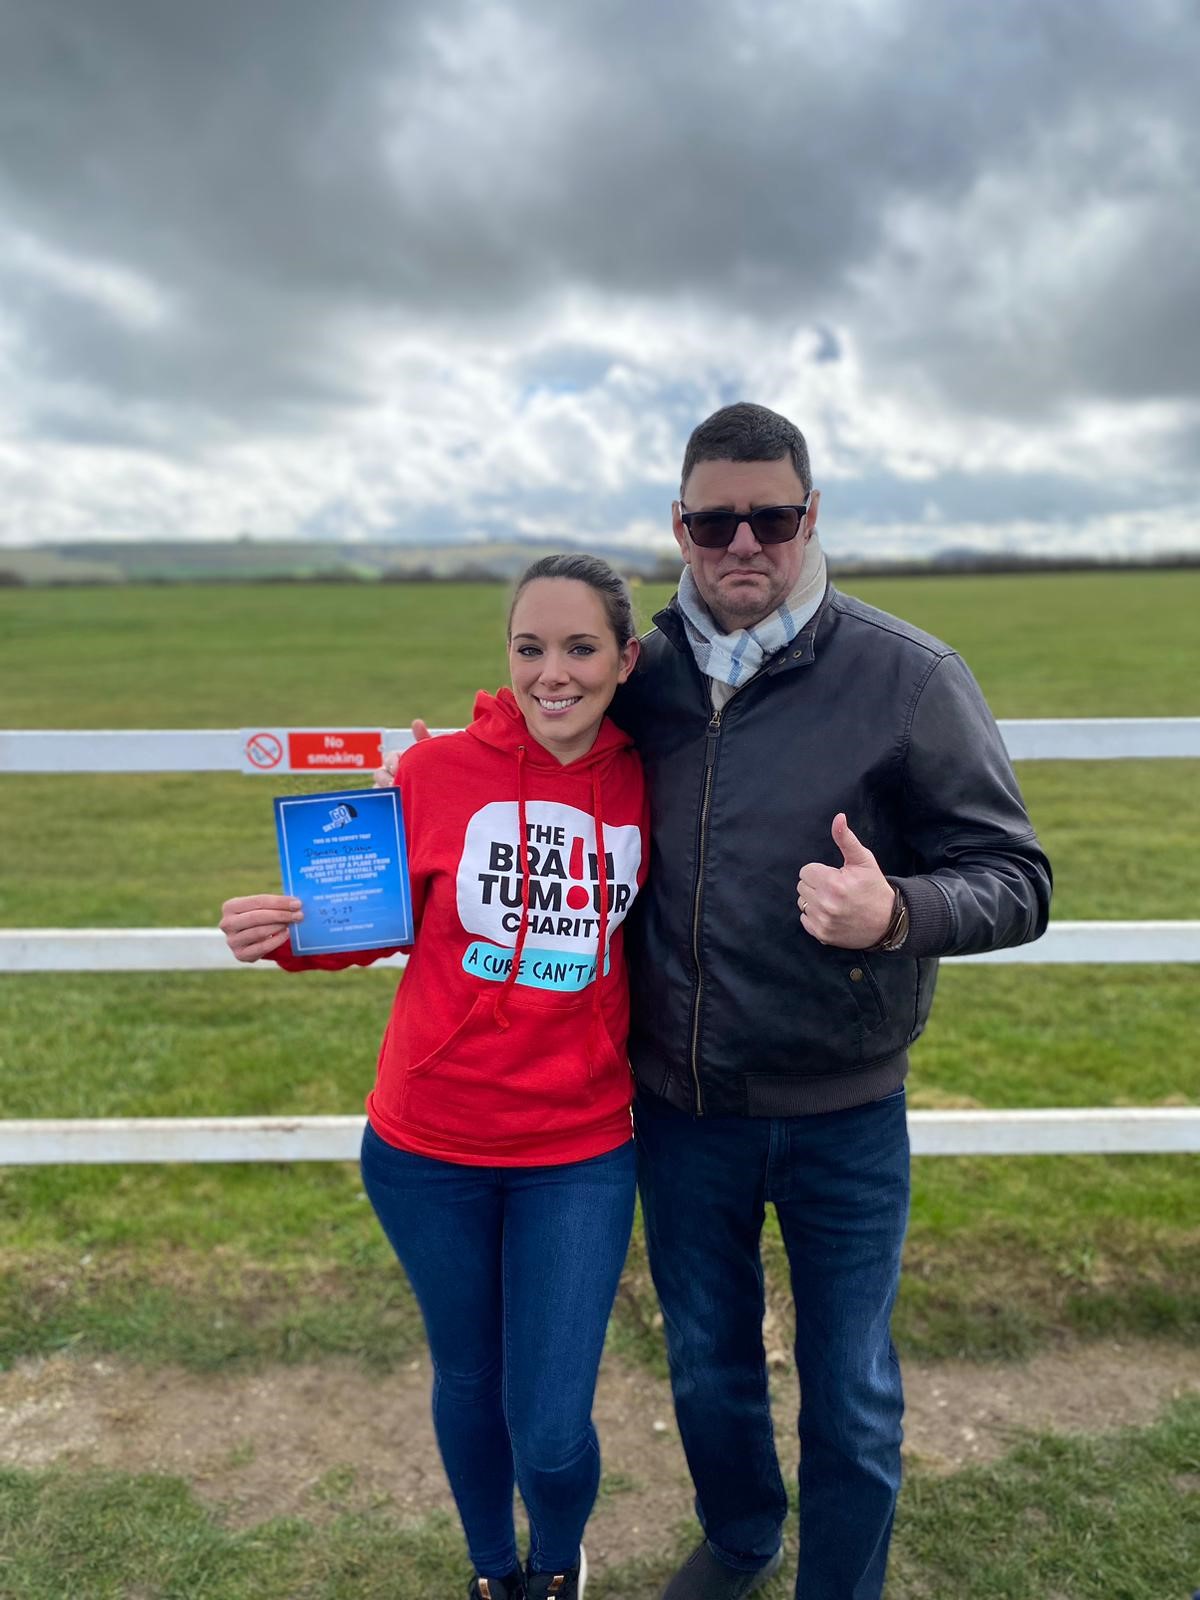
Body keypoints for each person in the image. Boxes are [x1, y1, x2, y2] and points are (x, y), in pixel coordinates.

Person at [610, 403, 1053, 1600]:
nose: (742, 541)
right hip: (680, 1104)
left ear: (812, 518)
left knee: (849, 1384)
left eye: (772, 516)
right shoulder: (635, 678)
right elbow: (526, 760)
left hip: (844, 1113)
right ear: (680, 527)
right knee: (706, 1366)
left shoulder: (909, 677)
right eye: (715, 520)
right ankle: (744, 1537)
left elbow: (1018, 880)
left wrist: (898, 912)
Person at [220, 553, 648, 1600]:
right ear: (507, 656)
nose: (554, 673)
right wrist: (280, 934)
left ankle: (558, 1560)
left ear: (627, 660)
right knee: (468, 1377)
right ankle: (495, 1572)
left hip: (580, 1149)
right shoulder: (434, 771)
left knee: (549, 1425)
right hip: (425, 1146)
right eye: (530, 648)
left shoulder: (654, 773)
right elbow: (366, 916)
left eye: (581, 647)